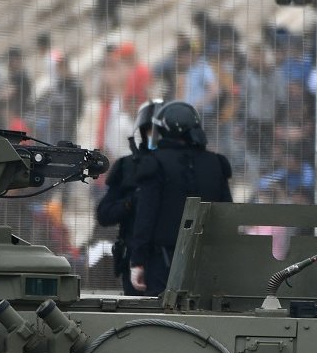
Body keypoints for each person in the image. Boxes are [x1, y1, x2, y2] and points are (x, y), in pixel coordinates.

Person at [129, 100, 233, 294]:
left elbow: (146, 215)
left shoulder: (155, 163)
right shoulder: (216, 163)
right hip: (208, 261)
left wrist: (138, 261)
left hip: (163, 262)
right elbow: (227, 213)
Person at [95, 98, 160, 294]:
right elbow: (104, 214)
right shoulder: (127, 167)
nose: (154, 136)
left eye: (159, 131)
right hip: (133, 259)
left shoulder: (179, 167)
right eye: (150, 130)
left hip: (168, 259)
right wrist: (130, 203)